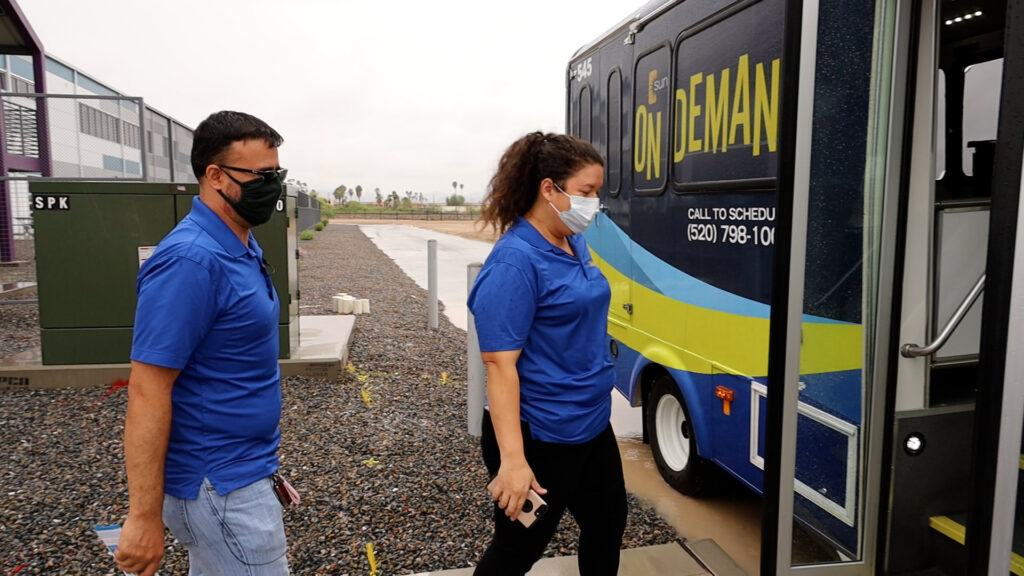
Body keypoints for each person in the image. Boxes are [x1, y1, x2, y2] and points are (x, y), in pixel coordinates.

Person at [115, 111, 291, 576]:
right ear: (214, 175)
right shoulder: (191, 260)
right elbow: (147, 389)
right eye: (260, 176)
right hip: (221, 487)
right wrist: (143, 517)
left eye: (278, 174)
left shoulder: (241, 243)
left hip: (243, 473)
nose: (271, 187)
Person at [467, 131, 627, 575]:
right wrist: (513, 461)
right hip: (540, 434)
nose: (594, 203)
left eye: (597, 192)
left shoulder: (573, 241)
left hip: (591, 422)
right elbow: (500, 366)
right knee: (518, 550)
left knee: (607, 523)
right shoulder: (514, 263)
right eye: (586, 192)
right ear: (549, 189)